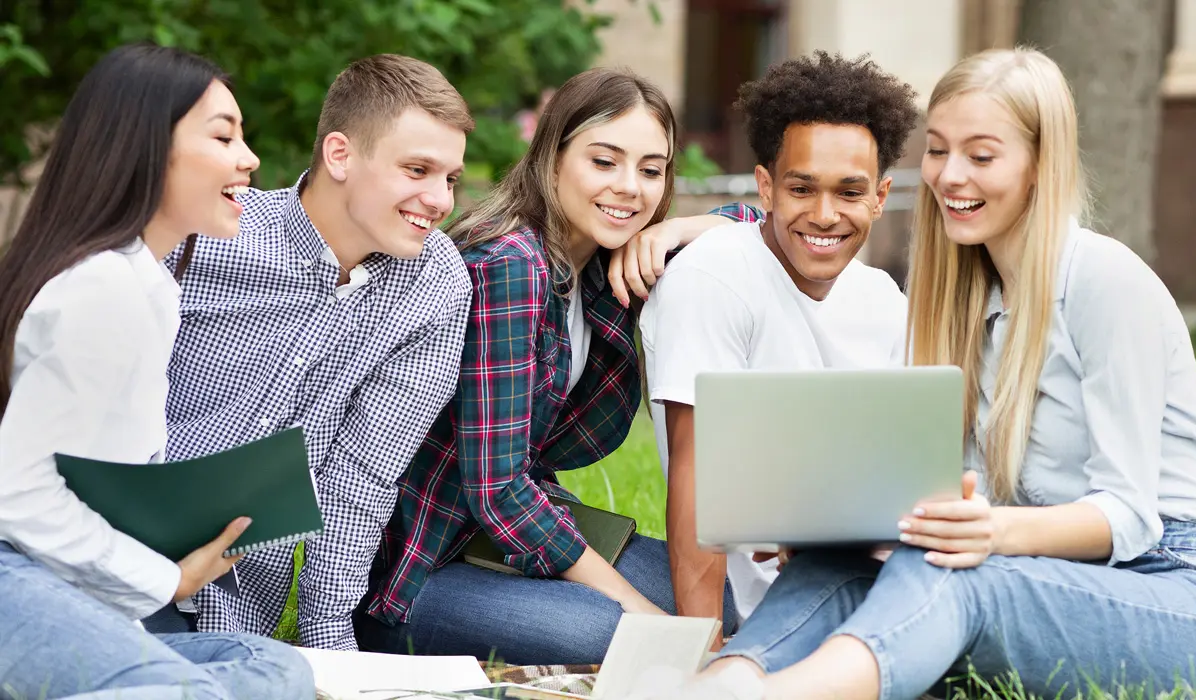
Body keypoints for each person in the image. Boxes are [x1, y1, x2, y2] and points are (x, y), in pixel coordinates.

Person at [635, 48, 1196, 700]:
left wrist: (989, 532)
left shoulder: (1104, 280)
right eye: (937, 151)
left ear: (1040, 165)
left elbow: (1129, 517)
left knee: (959, 575)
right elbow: (944, 498)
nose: (951, 176)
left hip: (1170, 589)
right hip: (1027, 572)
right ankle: (728, 677)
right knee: (837, 563)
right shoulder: (953, 304)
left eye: (981, 156)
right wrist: (842, 525)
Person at [358, 67, 760, 664]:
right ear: (553, 159)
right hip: (420, 568)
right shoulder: (511, 264)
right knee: (613, 634)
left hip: (501, 542)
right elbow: (498, 489)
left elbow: (772, 222)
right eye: (604, 162)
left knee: (723, 600)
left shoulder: (597, 261)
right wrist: (638, 609)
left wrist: (683, 226)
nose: (630, 188)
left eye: (651, 170)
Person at [0, 44, 313, 699]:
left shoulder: (149, 287)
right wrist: (168, 580)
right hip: (17, 576)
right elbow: (17, 495)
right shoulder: (104, 288)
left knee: (274, 667)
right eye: (223, 136)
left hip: (64, 584)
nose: (249, 159)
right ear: (147, 145)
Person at [155, 54, 477, 651]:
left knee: (256, 677)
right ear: (340, 155)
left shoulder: (436, 284)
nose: (439, 200)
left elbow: (365, 473)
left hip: (234, 599)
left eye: (451, 179)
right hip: (117, 549)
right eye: (417, 170)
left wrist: (328, 631)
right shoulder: (207, 233)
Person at [637, 50, 919, 646]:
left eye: (849, 192)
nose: (824, 215)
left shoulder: (884, 301)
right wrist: (705, 648)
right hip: (745, 597)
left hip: (857, 578)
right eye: (801, 188)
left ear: (880, 196)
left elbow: (886, 484)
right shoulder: (715, 274)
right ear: (766, 187)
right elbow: (696, 476)